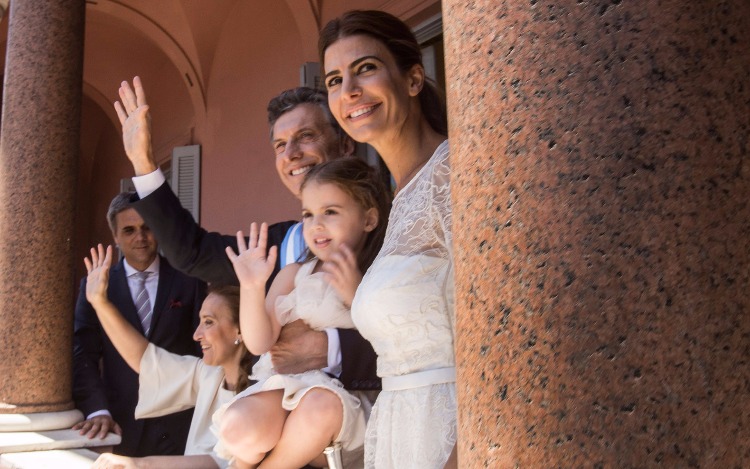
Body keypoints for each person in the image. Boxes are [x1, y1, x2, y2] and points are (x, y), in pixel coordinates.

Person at [114, 78, 380, 393]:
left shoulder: (383, 232)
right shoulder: (271, 248)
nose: (291, 154)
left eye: (305, 136)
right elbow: (191, 252)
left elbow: (421, 335)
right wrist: (144, 164)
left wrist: (332, 347)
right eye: (280, 145)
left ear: (345, 144)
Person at [319, 10, 456, 468]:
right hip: (400, 434)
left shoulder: (454, 173)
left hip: (453, 437)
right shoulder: (397, 197)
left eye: (365, 69)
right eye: (334, 80)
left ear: (413, 78)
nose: (349, 91)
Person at [215, 158, 390, 468]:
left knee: (318, 408)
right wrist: (252, 287)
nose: (316, 225)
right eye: (308, 215)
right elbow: (258, 343)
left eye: (330, 212)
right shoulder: (294, 274)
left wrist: (355, 293)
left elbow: (385, 340)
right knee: (237, 426)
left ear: (369, 219)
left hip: (341, 403)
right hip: (287, 388)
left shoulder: (377, 274)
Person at [84, 243, 252, 469]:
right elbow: (145, 359)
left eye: (209, 322)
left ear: (240, 330)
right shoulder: (208, 374)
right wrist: (100, 303)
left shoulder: (261, 391)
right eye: (200, 321)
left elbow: (220, 462)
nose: (196, 334)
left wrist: (138, 464)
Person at [72, 192, 207, 456]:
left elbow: (205, 348)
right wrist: (97, 409)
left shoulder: (189, 280)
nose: (140, 237)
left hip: (181, 422)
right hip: (121, 424)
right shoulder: (97, 286)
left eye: (147, 227)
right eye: (129, 230)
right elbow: (82, 353)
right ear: (115, 236)